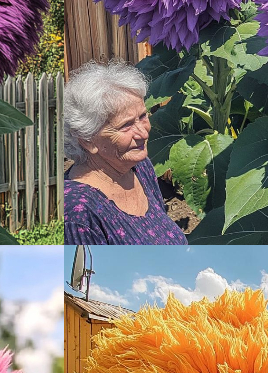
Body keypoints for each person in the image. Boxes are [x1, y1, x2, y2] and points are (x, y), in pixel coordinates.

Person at [64, 61, 187, 245]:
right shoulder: (77, 212)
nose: (144, 133)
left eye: (143, 116)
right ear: (88, 140)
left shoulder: (139, 166)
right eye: (126, 125)